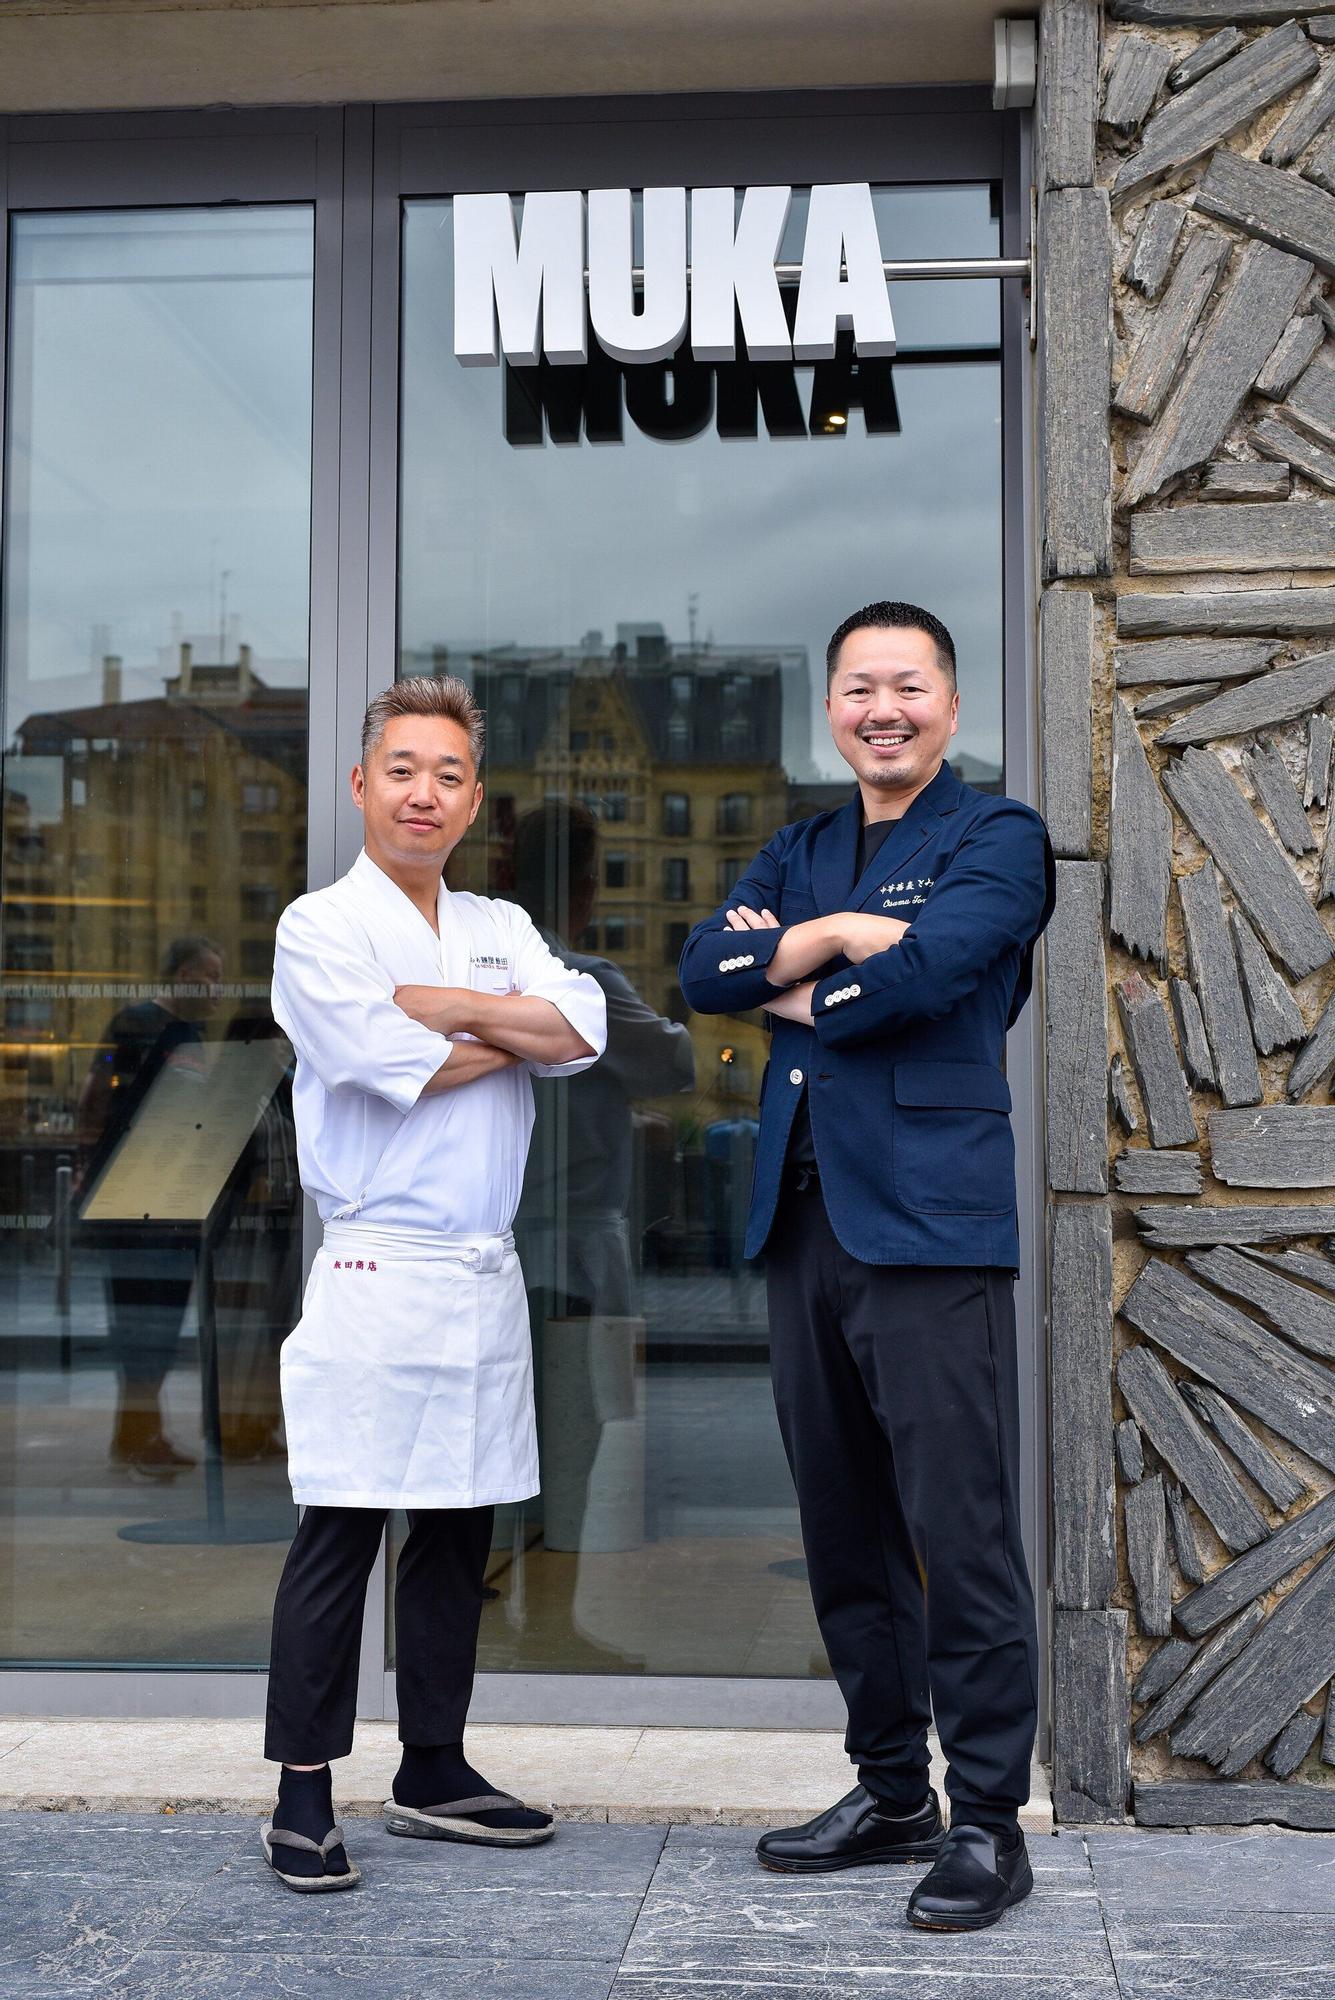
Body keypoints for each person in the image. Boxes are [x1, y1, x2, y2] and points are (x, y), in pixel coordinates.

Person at [679, 601, 1054, 1932]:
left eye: (904, 685)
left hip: (929, 1228)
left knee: (956, 1534)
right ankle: (892, 1788)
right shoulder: (803, 842)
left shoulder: (994, 837)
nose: (878, 707)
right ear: (829, 707)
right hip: (800, 1226)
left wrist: (794, 986)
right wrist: (838, 939)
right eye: (855, 687)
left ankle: (988, 1820)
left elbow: (943, 971)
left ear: (947, 705)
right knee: (842, 1532)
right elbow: (698, 967)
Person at [260, 675, 606, 1892]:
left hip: (480, 1271)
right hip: (373, 1262)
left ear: (473, 801)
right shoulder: (318, 927)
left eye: (449, 773)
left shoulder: (501, 919)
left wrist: (454, 1008)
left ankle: (434, 1764)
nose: (424, 791)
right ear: (362, 785)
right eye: (402, 767)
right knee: (342, 1528)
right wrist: (504, 1023)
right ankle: (303, 1787)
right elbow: (366, 1048)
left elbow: (583, 1028)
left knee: (461, 1528)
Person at [78, 935, 224, 1479]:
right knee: (141, 1318)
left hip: (175, 1199)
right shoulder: (136, 1023)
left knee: (161, 1319)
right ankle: (139, 1436)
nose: (216, 989)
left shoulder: (193, 1035)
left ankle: (139, 1433)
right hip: (133, 1202)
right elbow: (94, 1097)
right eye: (208, 976)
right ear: (181, 975)